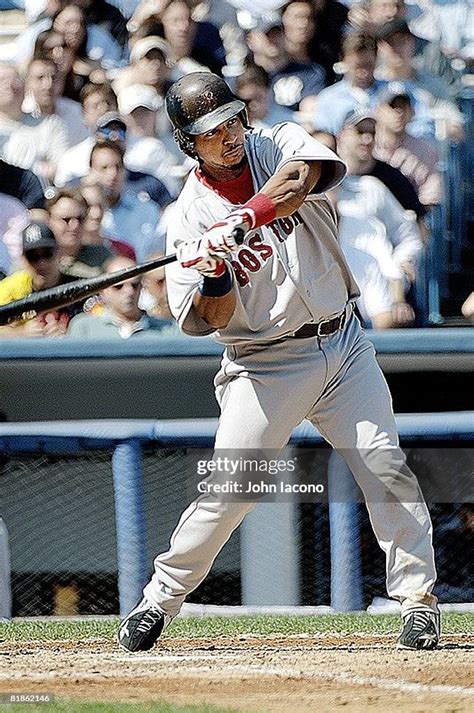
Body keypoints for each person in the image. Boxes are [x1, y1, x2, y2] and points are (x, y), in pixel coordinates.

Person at [118, 72, 440, 652]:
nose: (228, 135)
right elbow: (208, 319)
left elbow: (305, 178)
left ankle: (417, 601)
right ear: (189, 144)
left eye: (231, 120)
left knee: (385, 467)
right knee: (230, 490)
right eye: (211, 132)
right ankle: (159, 599)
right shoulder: (189, 217)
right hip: (265, 363)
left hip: (343, 345)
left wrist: (247, 218)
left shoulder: (278, 143)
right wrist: (216, 263)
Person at [0, 221, 82, 337]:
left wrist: (71, 333)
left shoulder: (79, 288)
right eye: (33, 256)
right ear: (23, 259)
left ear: (59, 253)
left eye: (47, 254)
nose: (42, 263)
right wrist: (22, 332)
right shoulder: (11, 289)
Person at [88, 141, 165, 261]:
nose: (112, 174)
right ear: (91, 171)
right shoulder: (83, 214)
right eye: (104, 168)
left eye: (118, 167)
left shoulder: (146, 209)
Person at [67, 255, 177, 339]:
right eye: (118, 286)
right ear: (103, 291)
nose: (129, 291)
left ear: (142, 287)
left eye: (134, 285)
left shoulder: (167, 329)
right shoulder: (84, 327)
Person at [0, 63, 69, 184]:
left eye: (15, 79)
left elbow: (57, 168)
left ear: (25, 86)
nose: (10, 85)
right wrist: (39, 167)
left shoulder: (50, 125)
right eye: (2, 80)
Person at [374, 87, 442, 207]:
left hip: (411, 215)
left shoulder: (425, 149)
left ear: (411, 112)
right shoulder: (368, 143)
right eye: (392, 107)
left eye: (403, 107)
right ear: (379, 111)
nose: (398, 112)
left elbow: (431, 194)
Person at [46, 187, 113, 277]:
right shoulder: (38, 258)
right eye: (66, 219)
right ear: (49, 221)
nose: (74, 226)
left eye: (80, 219)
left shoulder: (103, 257)